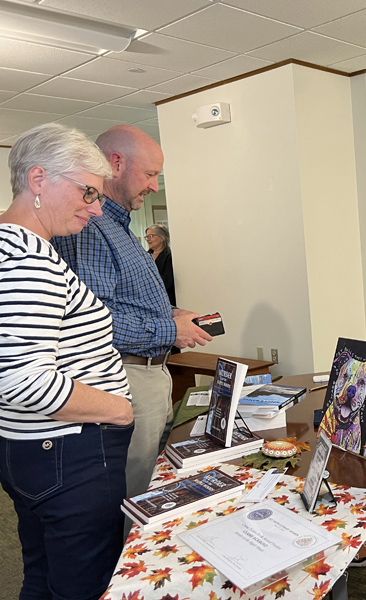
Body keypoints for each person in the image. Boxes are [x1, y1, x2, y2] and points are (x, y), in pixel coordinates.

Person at [0, 123, 135, 599]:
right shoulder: (29, 260)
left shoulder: (9, 246)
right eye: (88, 192)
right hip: (68, 451)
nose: (96, 208)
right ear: (38, 179)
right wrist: (118, 409)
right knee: (84, 583)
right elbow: (19, 379)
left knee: (42, 573)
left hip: (31, 447)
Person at [51, 125, 212, 500]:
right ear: (116, 163)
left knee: (151, 483)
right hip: (128, 376)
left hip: (149, 374)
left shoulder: (119, 226)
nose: (155, 187)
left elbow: (122, 299)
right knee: (136, 491)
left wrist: (170, 313)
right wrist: (169, 332)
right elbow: (92, 318)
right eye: (150, 174)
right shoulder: (91, 228)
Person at [146, 222, 175, 305]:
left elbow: (168, 281)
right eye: (147, 237)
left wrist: (149, 276)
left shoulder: (169, 256)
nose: (148, 239)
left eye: (151, 236)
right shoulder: (146, 255)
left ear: (161, 238)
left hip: (165, 300)